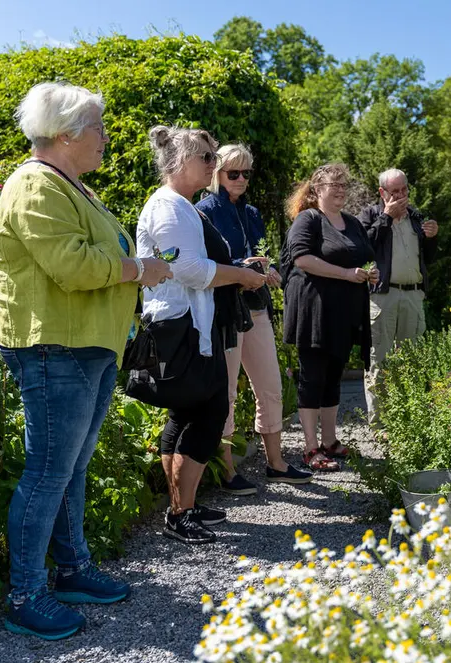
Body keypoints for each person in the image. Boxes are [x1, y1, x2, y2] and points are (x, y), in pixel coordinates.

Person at [0, 82, 173, 639]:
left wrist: (132, 265)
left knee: (69, 468)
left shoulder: (73, 187)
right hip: (54, 346)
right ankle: (25, 594)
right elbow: (72, 265)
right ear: (66, 133)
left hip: (85, 345)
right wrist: (140, 269)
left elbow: (99, 255)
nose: (106, 137)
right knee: (49, 471)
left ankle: (72, 570)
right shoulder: (33, 184)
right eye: (98, 126)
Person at [137, 126, 267, 544]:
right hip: (182, 326)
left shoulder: (183, 206)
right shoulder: (170, 208)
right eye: (207, 158)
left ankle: (183, 508)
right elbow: (190, 269)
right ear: (180, 163)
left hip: (191, 324)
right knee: (207, 414)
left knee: (189, 414)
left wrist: (240, 268)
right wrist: (243, 276)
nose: (214, 165)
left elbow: (198, 263)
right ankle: (180, 513)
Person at [196, 144, 313, 492]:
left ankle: (276, 464)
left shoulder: (252, 213)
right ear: (217, 174)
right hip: (225, 310)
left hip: (257, 306)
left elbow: (259, 253)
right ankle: (227, 471)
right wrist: (240, 268)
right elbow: (203, 264)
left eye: (247, 173)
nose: (242, 179)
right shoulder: (203, 212)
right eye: (234, 173)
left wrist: (269, 268)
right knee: (227, 392)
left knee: (271, 388)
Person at [280, 164, 378, 472]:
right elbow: (302, 259)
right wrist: (346, 274)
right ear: (316, 190)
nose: (340, 190)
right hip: (313, 311)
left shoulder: (351, 222)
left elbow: (363, 253)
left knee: (333, 376)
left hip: (343, 314)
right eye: (333, 185)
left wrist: (368, 273)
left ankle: (330, 441)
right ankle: (310, 448)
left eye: (343, 185)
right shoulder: (308, 220)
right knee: (313, 377)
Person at [359, 168, 438, 425]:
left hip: (413, 295)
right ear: (382, 193)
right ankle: (379, 425)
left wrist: (431, 238)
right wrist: (386, 217)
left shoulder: (416, 217)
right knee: (378, 362)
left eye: (405, 190)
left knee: (413, 362)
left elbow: (428, 258)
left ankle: (409, 422)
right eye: (395, 192)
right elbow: (361, 249)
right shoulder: (370, 215)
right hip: (383, 296)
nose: (402, 196)